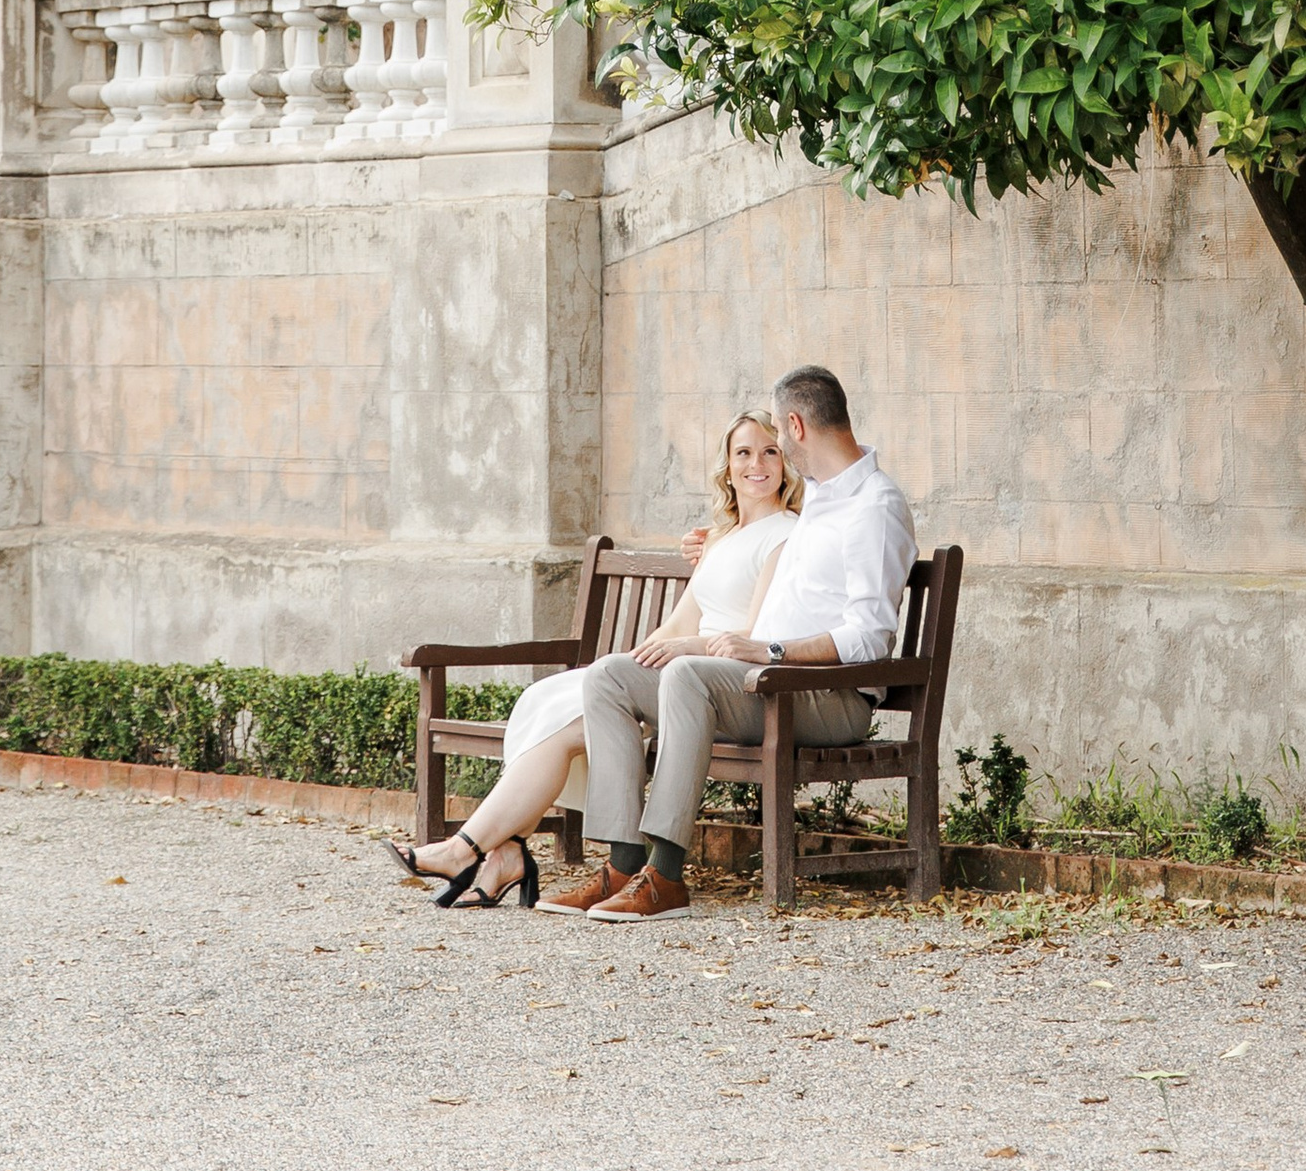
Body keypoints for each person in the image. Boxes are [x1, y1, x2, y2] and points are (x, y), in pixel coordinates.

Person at [539, 362, 916, 922]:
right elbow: (761, 539)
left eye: (779, 438)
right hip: (766, 683)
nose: (778, 450)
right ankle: (622, 866)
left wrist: (770, 651)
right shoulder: (821, 494)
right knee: (611, 676)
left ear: (796, 425)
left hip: (827, 698)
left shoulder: (874, 508)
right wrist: (710, 548)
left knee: (687, 675)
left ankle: (665, 877)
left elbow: (869, 637)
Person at [383, 412, 801, 907]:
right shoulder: (718, 538)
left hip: (722, 680)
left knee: (567, 718)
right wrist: (639, 658)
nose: (757, 464)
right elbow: (681, 622)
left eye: (770, 451)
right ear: (727, 468)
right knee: (568, 694)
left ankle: (476, 850)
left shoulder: (787, 533)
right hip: (684, 668)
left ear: (787, 463)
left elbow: (753, 635)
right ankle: (504, 853)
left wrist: (676, 653)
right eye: (744, 453)